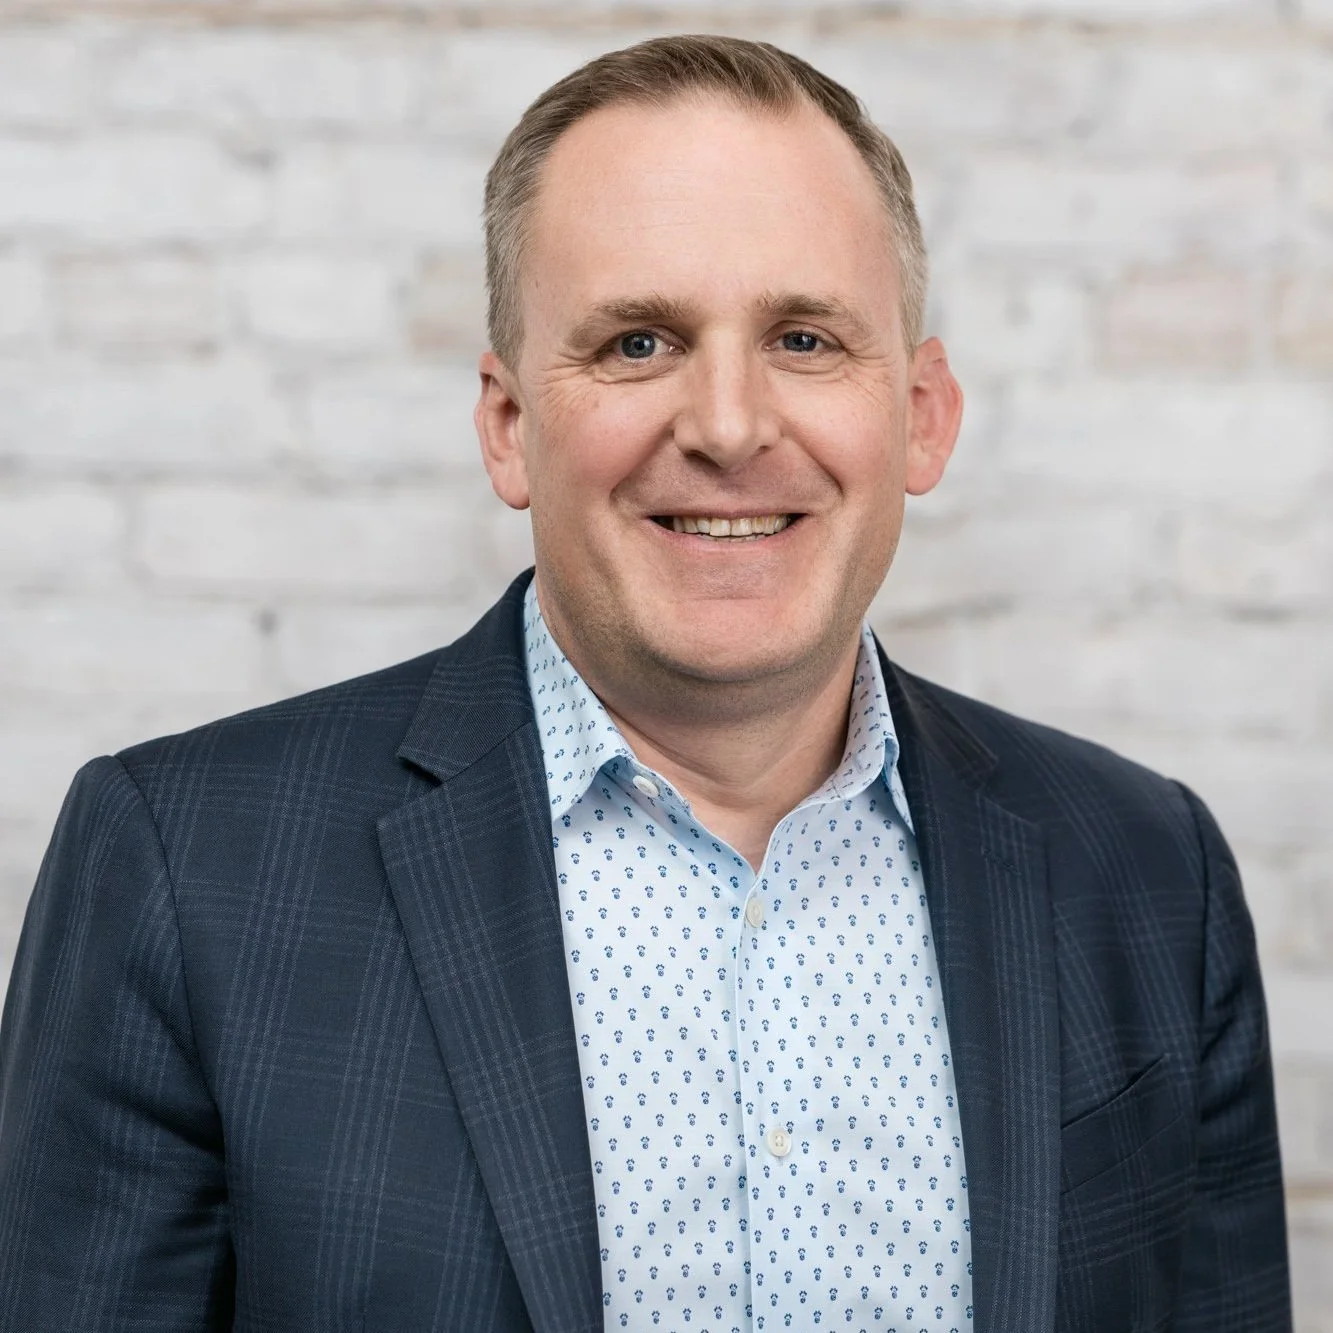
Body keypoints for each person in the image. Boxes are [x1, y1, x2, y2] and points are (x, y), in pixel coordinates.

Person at [0, 33, 1289, 1333]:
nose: (727, 425)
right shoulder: (185, 869)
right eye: (636, 343)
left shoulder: (1146, 875)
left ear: (922, 413)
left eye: (802, 335)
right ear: (510, 427)